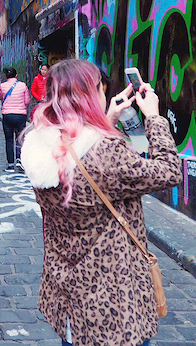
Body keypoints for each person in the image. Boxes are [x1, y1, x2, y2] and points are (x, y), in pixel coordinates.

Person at [19, 59, 181, 346]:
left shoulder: (38, 144)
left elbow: (78, 150)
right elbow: (169, 171)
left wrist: (109, 118)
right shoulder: (106, 154)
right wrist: (154, 117)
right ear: (89, 95)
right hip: (112, 305)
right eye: (99, 88)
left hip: (68, 296)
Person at [0, 67, 30, 172]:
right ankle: (19, 161)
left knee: (9, 139)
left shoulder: (2, 86)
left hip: (7, 115)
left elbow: (1, 97)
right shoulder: (23, 85)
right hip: (20, 115)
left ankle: (11, 165)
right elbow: (27, 101)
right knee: (20, 139)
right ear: (16, 75)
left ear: (6, 76)